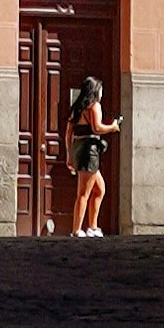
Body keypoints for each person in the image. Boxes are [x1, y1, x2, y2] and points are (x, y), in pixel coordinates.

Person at [67, 72, 114, 242]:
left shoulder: (77, 108)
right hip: (89, 151)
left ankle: (92, 227)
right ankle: (77, 229)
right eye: (100, 89)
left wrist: (69, 153)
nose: (102, 93)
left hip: (79, 148)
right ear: (95, 91)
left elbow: (68, 133)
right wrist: (113, 127)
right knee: (84, 193)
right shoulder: (94, 107)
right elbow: (97, 128)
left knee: (99, 189)